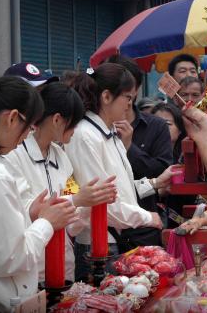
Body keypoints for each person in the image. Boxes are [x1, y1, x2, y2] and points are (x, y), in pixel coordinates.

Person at [0, 76, 77, 311]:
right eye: (29, 126)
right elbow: (9, 259)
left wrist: (30, 213)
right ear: (12, 118)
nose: (27, 135)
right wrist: (47, 222)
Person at [3, 82, 117, 283]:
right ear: (56, 120)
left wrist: (92, 201)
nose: (75, 131)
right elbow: (24, 209)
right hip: (30, 268)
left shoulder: (61, 158)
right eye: (73, 124)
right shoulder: (15, 155)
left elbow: (72, 220)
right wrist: (78, 200)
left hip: (64, 266)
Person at [67, 63, 171, 280]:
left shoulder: (110, 132)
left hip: (117, 238)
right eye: (127, 97)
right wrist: (147, 217)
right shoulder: (85, 135)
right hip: (99, 245)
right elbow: (102, 201)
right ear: (106, 97)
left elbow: (120, 188)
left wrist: (152, 183)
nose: (129, 105)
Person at [105, 55, 172, 247]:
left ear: (134, 90)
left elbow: (162, 174)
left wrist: (128, 148)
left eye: (126, 89)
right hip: (105, 231)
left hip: (144, 228)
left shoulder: (156, 126)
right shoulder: (92, 132)